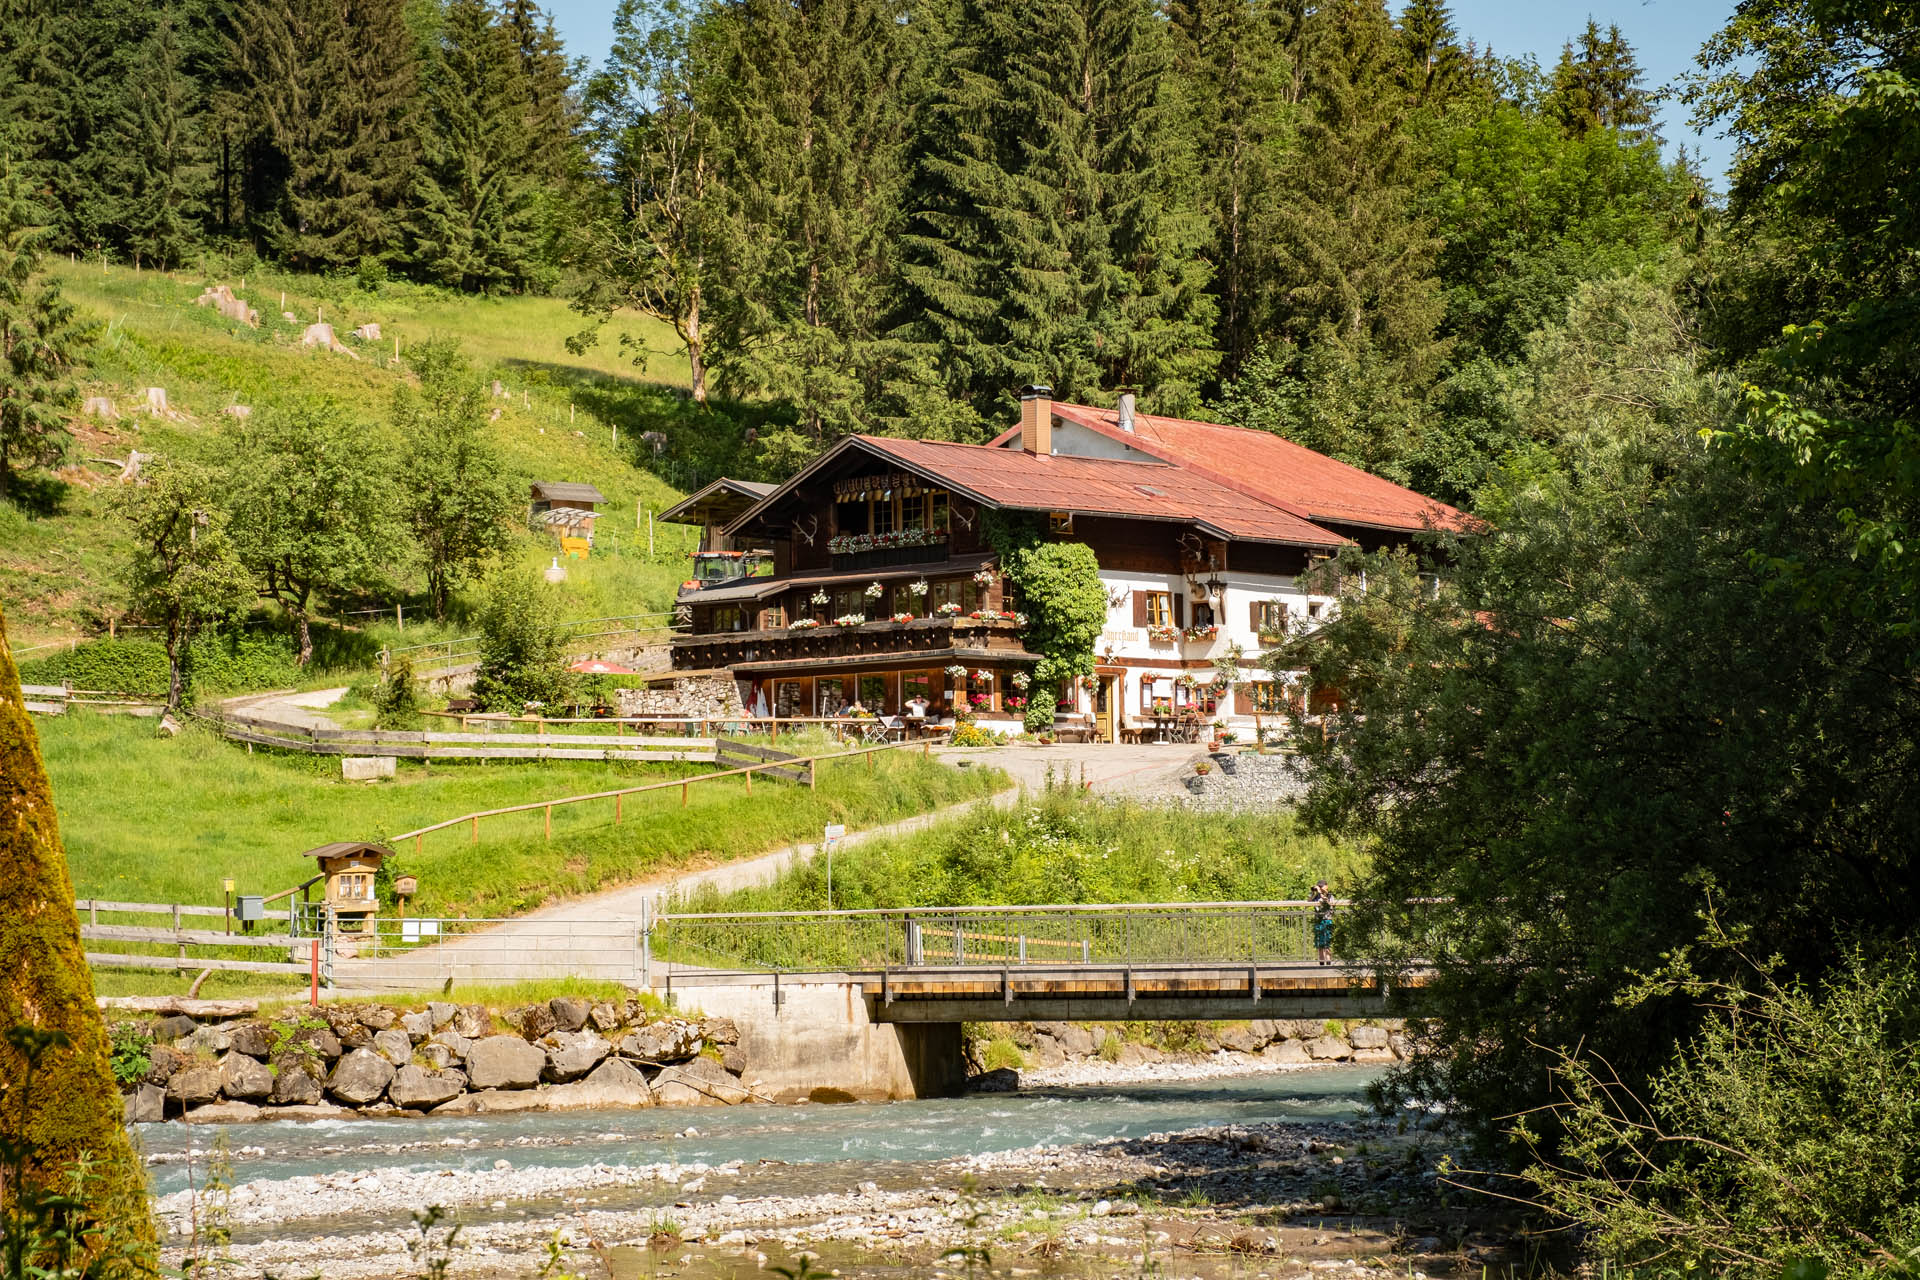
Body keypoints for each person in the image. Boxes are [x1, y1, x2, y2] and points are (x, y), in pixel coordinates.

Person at [1310, 880, 1335, 966]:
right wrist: (1314, 893)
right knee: (1319, 943)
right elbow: (1308, 902)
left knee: (1327, 943)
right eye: (1319, 886)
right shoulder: (1315, 895)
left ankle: (1328, 962)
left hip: (1327, 920)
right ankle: (1321, 963)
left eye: (1321, 886)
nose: (1320, 888)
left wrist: (1323, 896)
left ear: (1326, 886)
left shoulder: (1330, 895)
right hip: (1318, 921)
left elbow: (1331, 905)